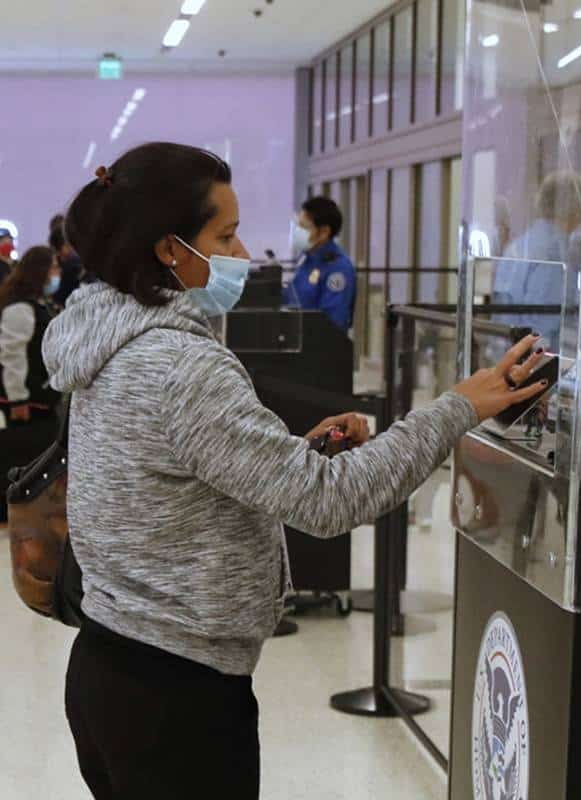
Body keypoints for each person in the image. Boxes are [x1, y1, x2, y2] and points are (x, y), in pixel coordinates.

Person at [44, 142, 548, 799]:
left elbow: (170, 467)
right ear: (170, 249)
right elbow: (329, 504)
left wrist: (294, 452)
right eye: (224, 236)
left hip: (111, 664)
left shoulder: (106, 336)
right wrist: (457, 409)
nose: (244, 255)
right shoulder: (181, 366)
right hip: (177, 695)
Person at [0, 245, 62, 521]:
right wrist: (18, 399)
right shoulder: (20, 309)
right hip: (27, 400)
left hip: (41, 397)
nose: (57, 274)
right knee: (23, 457)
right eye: (53, 268)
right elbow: (12, 357)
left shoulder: (36, 305)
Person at [493, 171, 581, 347]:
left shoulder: (519, 244)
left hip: (506, 350)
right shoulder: (555, 252)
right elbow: (544, 322)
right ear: (574, 208)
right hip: (533, 360)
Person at [287, 196, 356, 332]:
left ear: (324, 232)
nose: (297, 232)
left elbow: (333, 322)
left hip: (318, 347)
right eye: (297, 226)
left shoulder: (338, 268)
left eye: (304, 227)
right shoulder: (307, 259)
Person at [49, 220, 88, 306]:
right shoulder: (55, 270)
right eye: (68, 245)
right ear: (57, 249)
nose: (73, 248)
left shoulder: (79, 264)